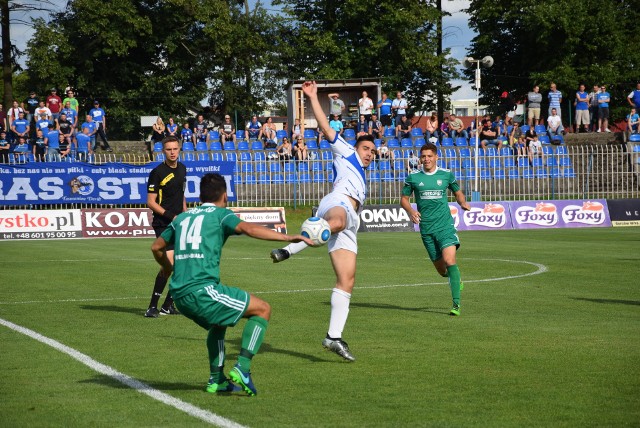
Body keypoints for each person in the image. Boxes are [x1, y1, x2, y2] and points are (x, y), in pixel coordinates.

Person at [151, 173, 312, 396]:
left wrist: (167, 268)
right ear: (225, 196)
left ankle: (217, 380)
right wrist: (288, 238)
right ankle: (243, 368)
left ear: (199, 196)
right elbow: (248, 228)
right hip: (201, 290)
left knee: (218, 324)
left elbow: (157, 247)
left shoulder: (181, 218)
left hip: (179, 294)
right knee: (263, 310)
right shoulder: (221, 215)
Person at [270, 81, 376, 362]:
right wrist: (313, 97)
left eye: (372, 151)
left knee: (347, 280)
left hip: (351, 218)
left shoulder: (363, 175)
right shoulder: (346, 152)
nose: (369, 153)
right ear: (357, 148)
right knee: (337, 222)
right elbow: (327, 127)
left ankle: (333, 337)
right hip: (337, 203)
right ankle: (290, 248)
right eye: (366, 148)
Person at [400, 142, 470, 316]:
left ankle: (456, 305)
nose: (426, 159)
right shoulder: (413, 177)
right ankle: (455, 279)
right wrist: (410, 211)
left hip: (445, 226)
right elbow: (404, 199)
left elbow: (457, 192)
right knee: (442, 271)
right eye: (423, 156)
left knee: (450, 260)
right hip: (427, 229)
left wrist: (462, 202)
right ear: (420, 158)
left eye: (430, 156)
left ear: (436, 157)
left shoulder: (446, 175)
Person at [144, 136, 188, 318]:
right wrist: (171, 216)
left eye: (175, 149)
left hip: (179, 222)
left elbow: (181, 195)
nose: (172, 152)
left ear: (179, 149)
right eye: (169, 149)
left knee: (184, 266)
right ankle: (152, 307)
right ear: (163, 151)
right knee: (170, 266)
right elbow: (151, 202)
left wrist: (185, 215)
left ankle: (168, 305)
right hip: (163, 223)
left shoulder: (183, 169)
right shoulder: (157, 172)